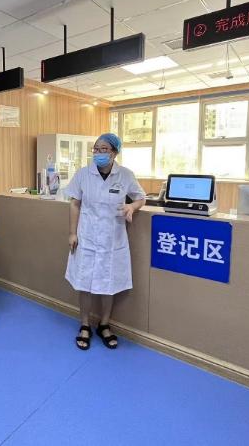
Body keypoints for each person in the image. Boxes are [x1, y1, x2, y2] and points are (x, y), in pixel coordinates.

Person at [64, 133, 146, 351]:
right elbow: (74, 203)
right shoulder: (83, 174)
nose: (99, 153)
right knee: (84, 283)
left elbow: (141, 197)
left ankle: (104, 324)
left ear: (115, 152)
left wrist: (131, 207)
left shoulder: (125, 175)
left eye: (104, 149)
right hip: (87, 237)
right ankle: (84, 325)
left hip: (113, 239)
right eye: (96, 149)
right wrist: (72, 233)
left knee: (108, 284)